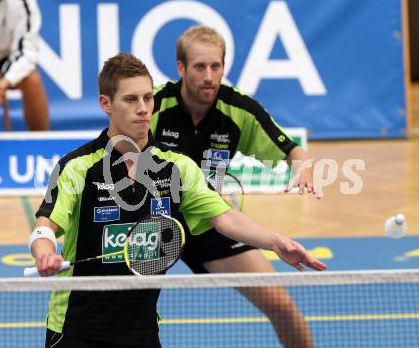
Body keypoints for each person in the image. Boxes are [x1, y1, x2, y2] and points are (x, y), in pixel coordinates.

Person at [30, 52, 326, 348]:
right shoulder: (78, 166)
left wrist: (277, 243)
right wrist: (44, 251)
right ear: (106, 104)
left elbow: (225, 217)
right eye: (131, 100)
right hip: (75, 330)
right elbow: (45, 224)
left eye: (148, 98)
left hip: (141, 331)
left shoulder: (176, 167)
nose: (143, 109)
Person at [151, 25, 321, 347]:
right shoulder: (154, 104)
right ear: (181, 68)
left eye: (216, 66)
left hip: (213, 221)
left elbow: (292, 151)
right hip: (155, 223)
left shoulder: (239, 111)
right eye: (200, 67)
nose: (209, 76)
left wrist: (304, 169)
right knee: (128, 310)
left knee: (282, 306)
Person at [0, 0, 49, 130]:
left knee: (32, 79)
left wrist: (3, 84)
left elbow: (28, 53)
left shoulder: (23, 1)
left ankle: (41, 144)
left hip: (5, 59)